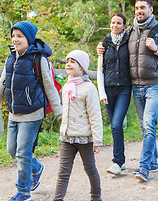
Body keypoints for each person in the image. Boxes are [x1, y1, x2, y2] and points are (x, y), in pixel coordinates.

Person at [97, 0, 158, 182]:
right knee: (145, 126)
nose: (139, 11)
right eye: (136, 8)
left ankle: (144, 167)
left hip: (154, 85)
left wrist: (157, 49)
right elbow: (114, 44)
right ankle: (154, 162)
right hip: (136, 86)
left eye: (142, 7)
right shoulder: (132, 32)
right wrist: (101, 47)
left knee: (149, 124)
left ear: (151, 9)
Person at [0, 21, 62, 201]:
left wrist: (60, 114)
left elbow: (50, 87)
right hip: (14, 114)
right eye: (13, 36)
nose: (15, 40)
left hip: (32, 114)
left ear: (29, 38)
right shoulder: (10, 59)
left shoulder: (38, 59)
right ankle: (37, 168)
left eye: (20, 36)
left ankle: (23, 193)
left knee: (22, 153)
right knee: (13, 151)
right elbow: (1, 87)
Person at [54, 50, 103, 201]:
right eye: (67, 61)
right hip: (67, 137)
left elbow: (95, 115)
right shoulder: (67, 86)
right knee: (63, 172)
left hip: (85, 138)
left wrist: (97, 140)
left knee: (90, 169)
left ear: (82, 67)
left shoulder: (89, 88)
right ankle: (57, 198)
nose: (68, 64)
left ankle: (96, 197)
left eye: (73, 62)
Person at [97, 13, 131, 175]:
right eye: (112, 23)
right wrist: (101, 92)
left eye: (118, 23)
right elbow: (100, 70)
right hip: (108, 88)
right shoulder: (105, 43)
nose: (115, 25)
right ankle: (122, 160)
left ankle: (117, 162)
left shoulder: (129, 41)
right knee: (114, 127)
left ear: (124, 25)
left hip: (124, 88)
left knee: (117, 124)